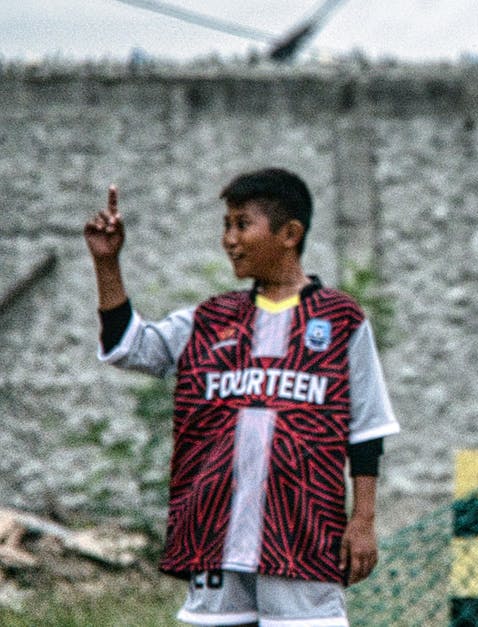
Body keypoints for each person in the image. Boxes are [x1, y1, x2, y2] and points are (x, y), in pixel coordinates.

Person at [85, 168, 401, 627]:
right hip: (215, 534)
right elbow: (127, 346)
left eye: (241, 224)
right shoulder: (211, 318)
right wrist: (107, 264)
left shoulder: (340, 320)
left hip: (302, 534)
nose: (229, 238)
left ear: (290, 234)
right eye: (226, 225)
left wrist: (363, 521)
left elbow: (367, 429)